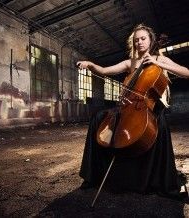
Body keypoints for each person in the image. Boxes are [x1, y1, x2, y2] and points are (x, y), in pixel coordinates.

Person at [77, 24, 189, 200]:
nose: (139, 42)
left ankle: (157, 180)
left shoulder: (160, 59)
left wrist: (157, 62)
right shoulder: (130, 63)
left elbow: (187, 73)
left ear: (151, 40)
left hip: (150, 106)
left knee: (159, 123)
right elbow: (105, 71)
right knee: (98, 117)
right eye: (136, 40)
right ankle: (93, 176)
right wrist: (90, 64)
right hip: (128, 105)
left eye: (143, 39)